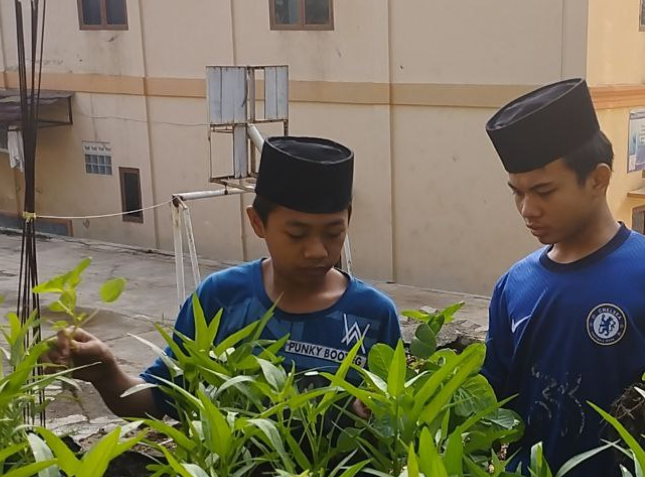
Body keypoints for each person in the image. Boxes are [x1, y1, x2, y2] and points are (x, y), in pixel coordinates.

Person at [45, 136, 402, 420]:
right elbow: (162, 398)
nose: (317, 251)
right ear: (257, 222)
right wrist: (107, 373)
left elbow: (395, 416)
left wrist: (378, 412)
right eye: (297, 234)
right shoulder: (222, 299)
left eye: (333, 233)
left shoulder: (373, 314)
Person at [482, 78, 645, 477]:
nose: (527, 209)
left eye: (543, 191)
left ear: (598, 179)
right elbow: (492, 400)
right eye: (517, 193)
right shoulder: (514, 286)